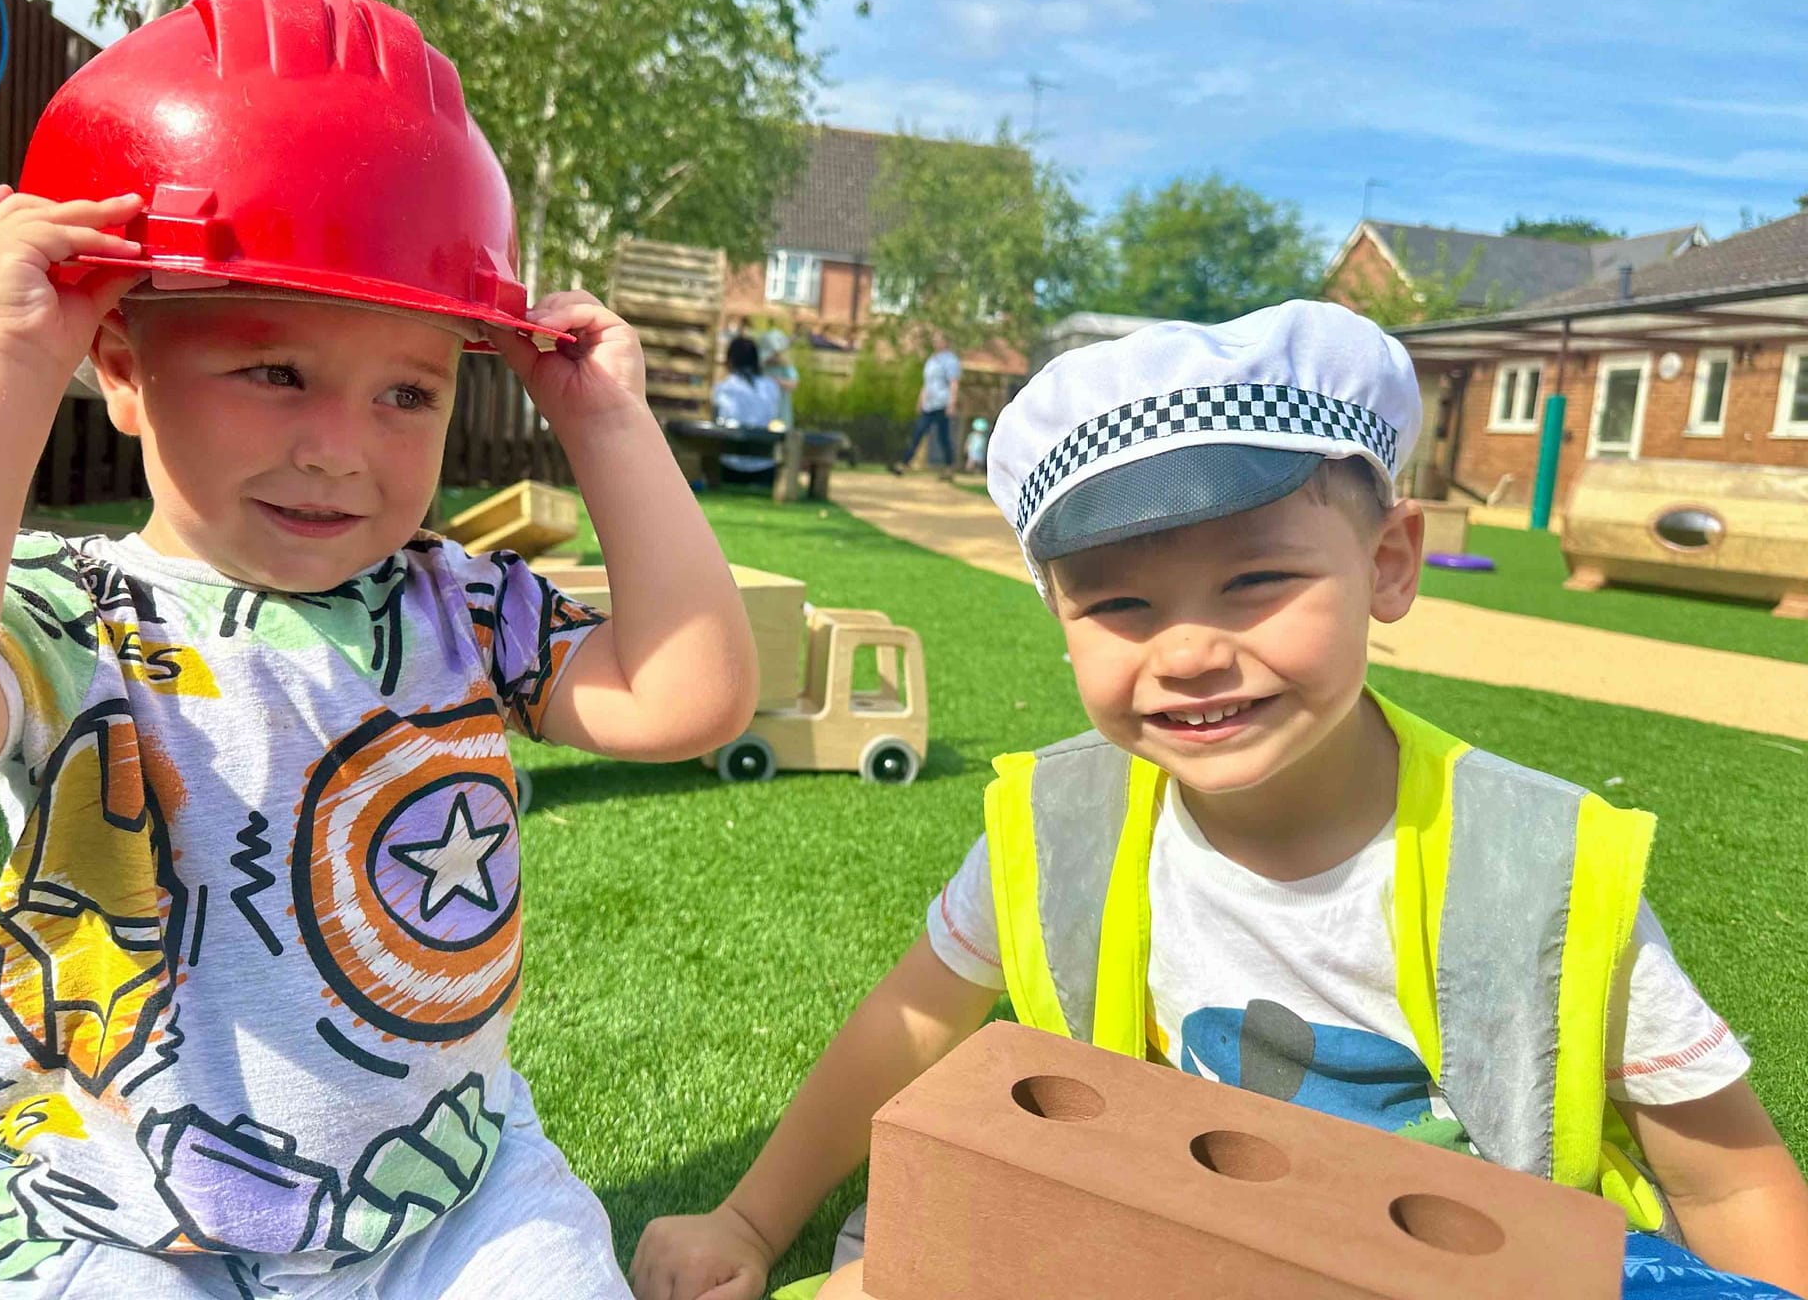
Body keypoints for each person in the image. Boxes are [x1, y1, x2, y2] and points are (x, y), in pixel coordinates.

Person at [632, 300, 1808, 1300]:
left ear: (1388, 565)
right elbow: (914, 1019)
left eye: (1257, 580)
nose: (1187, 652)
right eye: (1119, 607)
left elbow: (1728, 1178)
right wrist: (747, 1221)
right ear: (1057, 617)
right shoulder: (1063, 827)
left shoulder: (1540, 869)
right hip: (1153, 1244)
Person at [0, 0, 758, 1300]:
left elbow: (685, 699)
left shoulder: (460, 599)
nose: (342, 449)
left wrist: (609, 425)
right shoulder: (73, 615)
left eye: (408, 391)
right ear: (121, 367)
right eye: (275, 370)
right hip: (132, 1220)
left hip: (450, 1195)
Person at [713, 336, 788, 484]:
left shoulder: (723, 388)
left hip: (728, 464)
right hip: (765, 464)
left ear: (730, 360)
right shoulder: (771, 387)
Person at [887, 335, 960, 475]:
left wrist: (952, 403)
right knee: (918, 433)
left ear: (946, 342)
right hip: (929, 404)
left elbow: (953, 383)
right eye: (935, 340)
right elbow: (927, 383)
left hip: (942, 403)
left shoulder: (951, 361)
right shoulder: (932, 361)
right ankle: (904, 464)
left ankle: (949, 468)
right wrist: (920, 400)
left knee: (943, 438)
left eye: (939, 340)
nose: (936, 343)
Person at [757, 328, 799, 429]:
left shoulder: (785, 366)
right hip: (764, 407)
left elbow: (794, 383)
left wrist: (777, 382)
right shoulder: (762, 365)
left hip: (781, 407)